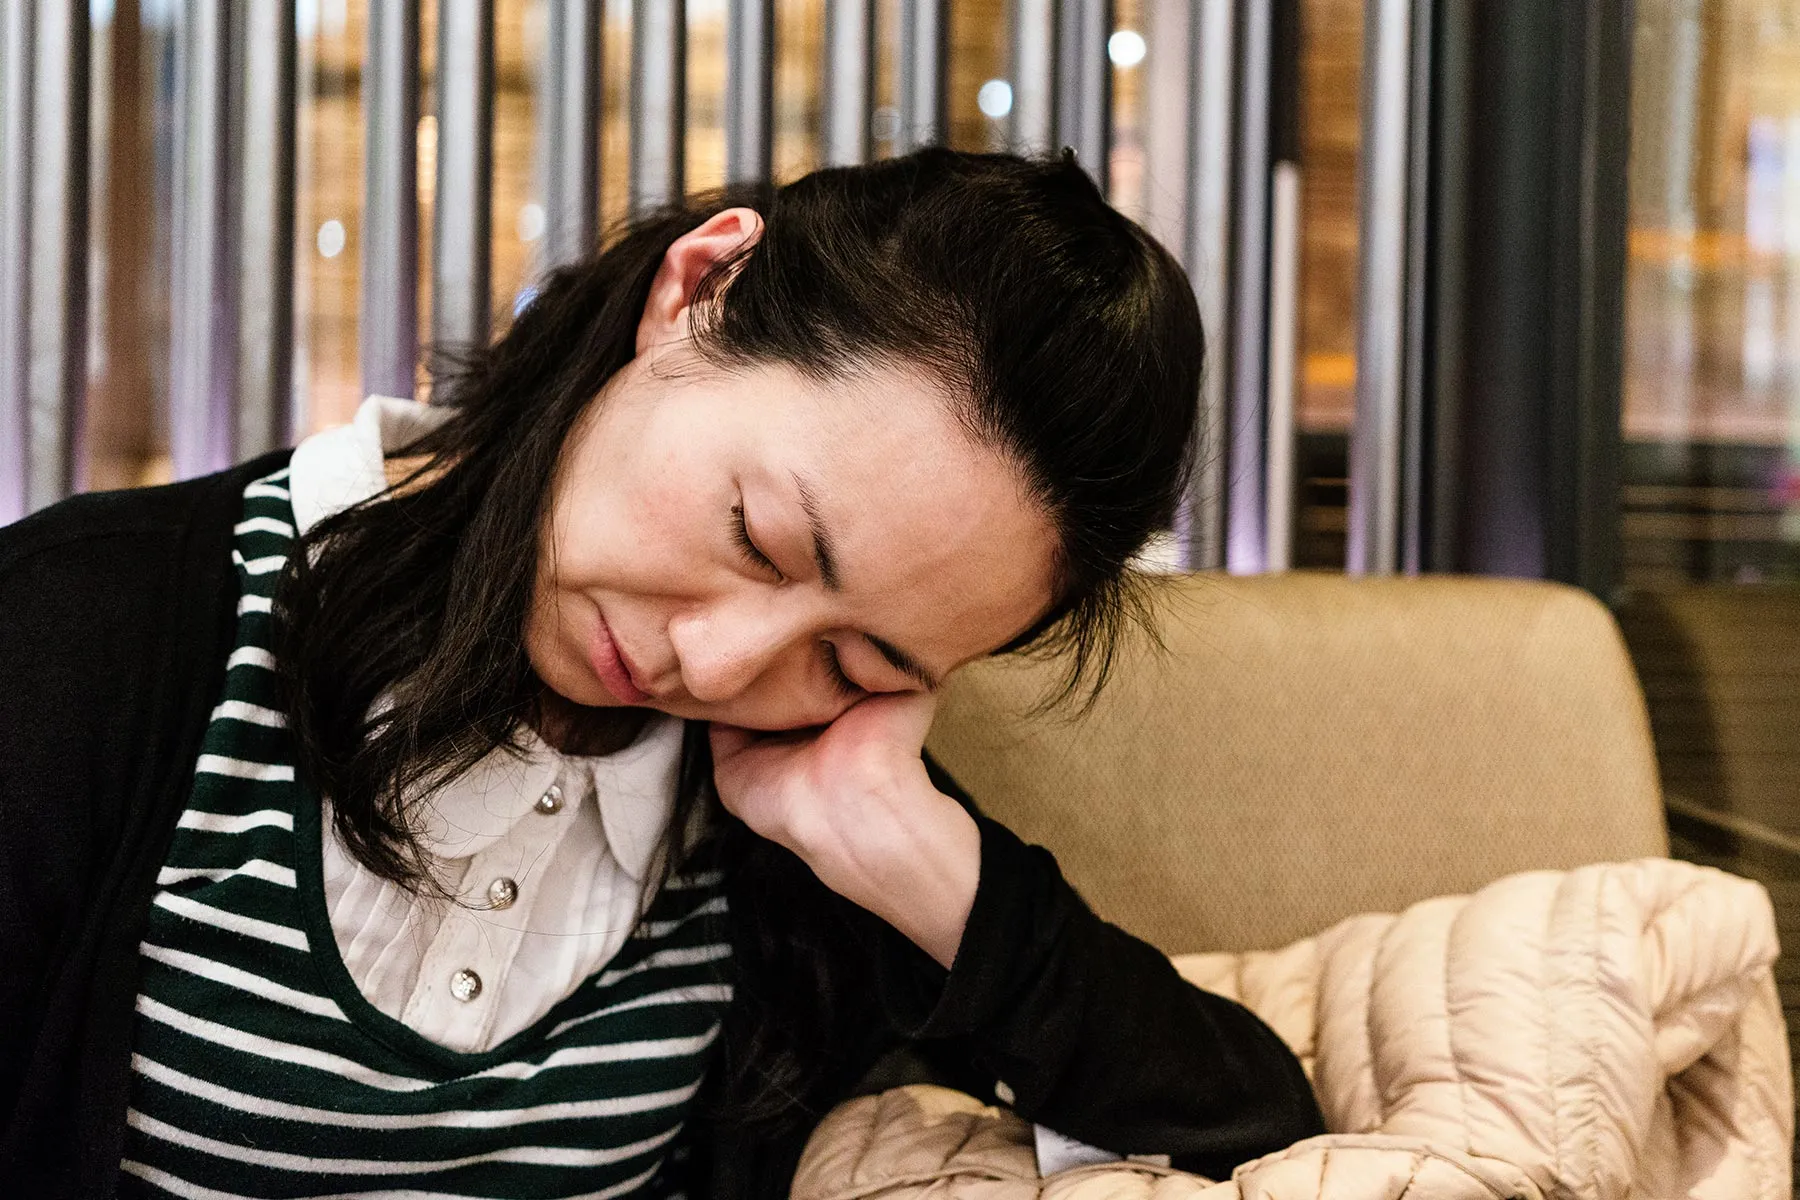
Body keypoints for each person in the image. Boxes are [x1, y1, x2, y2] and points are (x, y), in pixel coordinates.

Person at [0, 147, 1323, 1199]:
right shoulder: (90, 635)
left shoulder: (780, 842)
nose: (720, 663)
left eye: (857, 656)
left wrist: (921, 862)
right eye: (758, 534)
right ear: (697, 291)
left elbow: (1245, 1115)